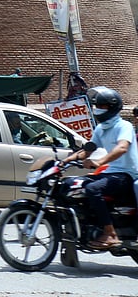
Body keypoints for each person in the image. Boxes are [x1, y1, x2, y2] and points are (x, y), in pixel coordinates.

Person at [63, 86, 138, 249]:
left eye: (102, 107)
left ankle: (110, 233)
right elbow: (88, 150)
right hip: (110, 173)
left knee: (92, 189)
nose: (98, 110)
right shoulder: (100, 128)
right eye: (97, 106)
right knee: (71, 185)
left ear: (112, 107)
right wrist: (65, 161)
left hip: (126, 175)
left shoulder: (123, 126)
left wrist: (100, 161)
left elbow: (122, 148)